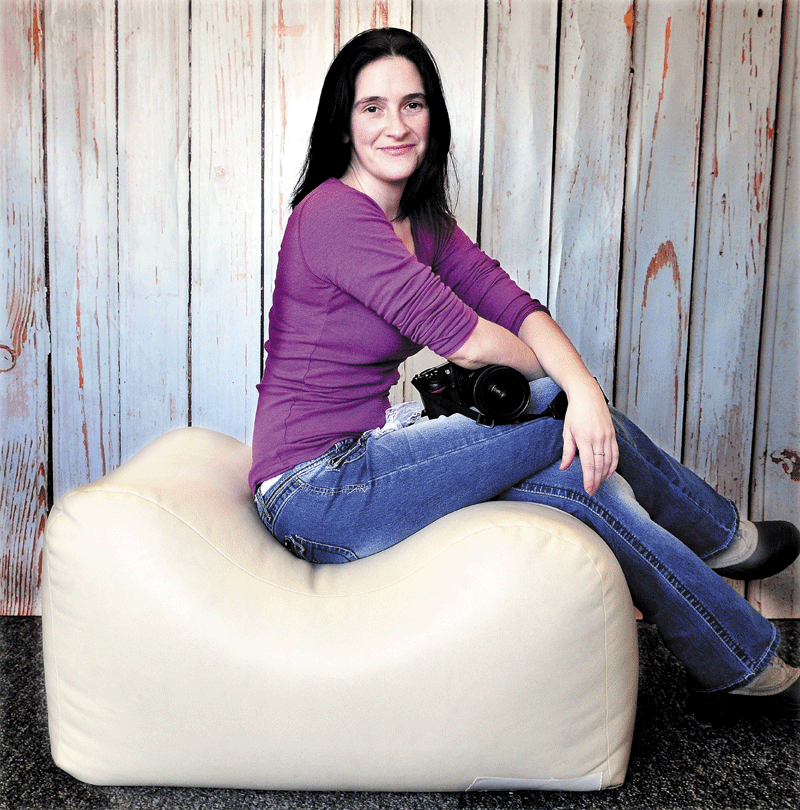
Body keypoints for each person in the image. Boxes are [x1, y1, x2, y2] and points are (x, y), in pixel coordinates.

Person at [250, 27, 799, 722]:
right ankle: (722, 541)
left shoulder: (421, 221)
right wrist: (576, 396)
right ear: (344, 123)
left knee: (580, 476)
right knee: (562, 422)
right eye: (373, 107)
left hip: (373, 454)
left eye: (413, 104)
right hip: (315, 488)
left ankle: (736, 665)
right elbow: (471, 340)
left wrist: (584, 391)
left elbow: (514, 306)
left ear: (432, 115)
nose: (397, 125)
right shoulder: (333, 215)